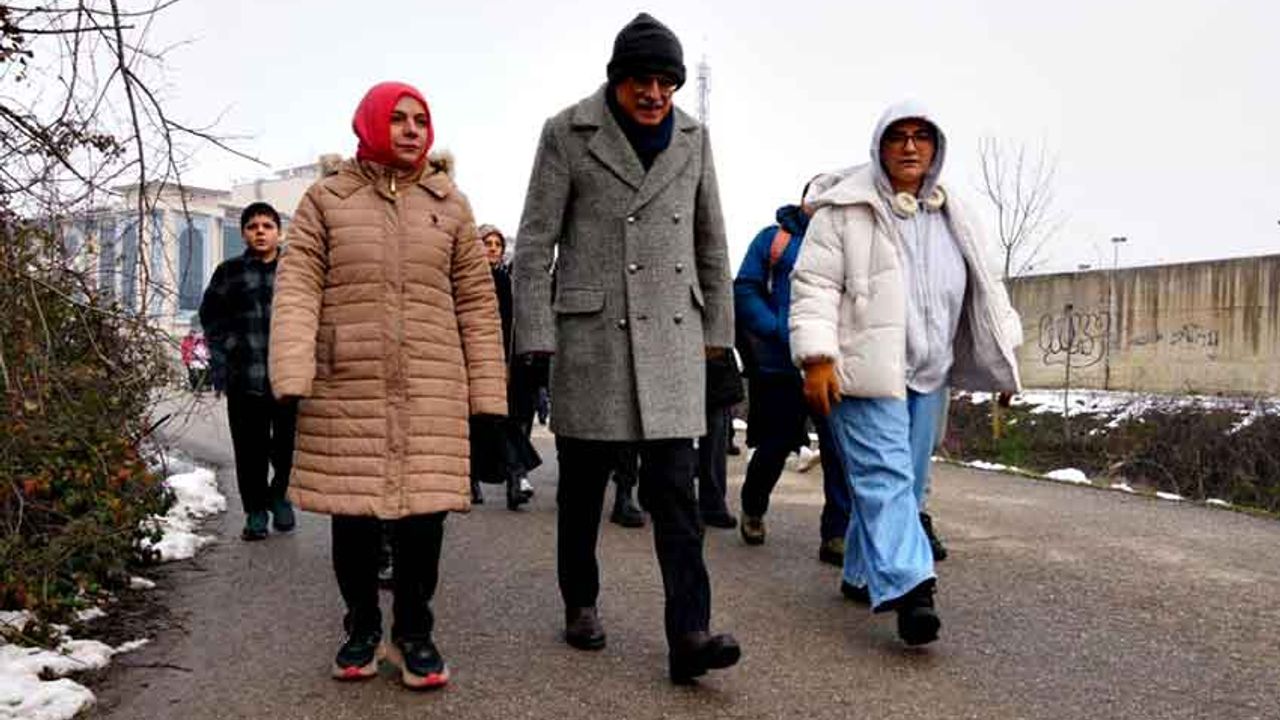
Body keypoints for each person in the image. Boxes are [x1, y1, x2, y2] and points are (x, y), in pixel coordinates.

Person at [511, 13, 740, 684]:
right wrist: (536, 337)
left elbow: (712, 243)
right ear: (617, 79)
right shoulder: (567, 131)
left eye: (667, 82)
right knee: (582, 492)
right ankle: (580, 601)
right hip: (592, 338)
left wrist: (718, 340)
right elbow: (535, 243)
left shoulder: (695, 138)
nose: (655, 94)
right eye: (642, 80)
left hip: (671, 337)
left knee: (676, 495)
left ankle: (690, 634)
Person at [268, 81, 506, 689]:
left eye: (420, 120)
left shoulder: (450, 204)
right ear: (371, 123)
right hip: (347, 383)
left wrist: (488, 396)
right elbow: (298, 287)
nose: (410, 129)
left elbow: (477, 304)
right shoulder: (327, 199)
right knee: (353, 516)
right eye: (398, 118)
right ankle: (361, 625)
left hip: (432, 384)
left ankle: (414, 631)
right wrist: (292, 371)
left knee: (425, 519)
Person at [789, 100, 1023, 646]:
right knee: (885, 479)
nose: (911, 146)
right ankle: (914, 589)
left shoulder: (954, 213)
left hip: (930, 370)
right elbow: (814, 287)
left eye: (922, 136)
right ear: (880, 147)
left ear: (936, 149)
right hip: (865, 369)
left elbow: (989, 289)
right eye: (899, 136)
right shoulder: (844, 212)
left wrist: (1005, 362)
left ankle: (859, 573)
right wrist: (817, 357)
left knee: (907, 484)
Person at [733, 179, 853, 565]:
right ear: (804, 200)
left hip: (832, 364)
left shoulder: (848, 242)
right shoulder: (774, 240)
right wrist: (777, 328)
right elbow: (745, 288)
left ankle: (835, 534)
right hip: (780, 364)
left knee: (837, 449)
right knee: (777, 443)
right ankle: (753, 506)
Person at [199, 202, 298, 541]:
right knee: (250, 451)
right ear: (243, 233)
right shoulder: (229, 272)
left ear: (279, 232)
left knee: (288, 448)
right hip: (244, 376)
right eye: (253, 226)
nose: (260, 232)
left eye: (267, 226)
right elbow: (210, 316)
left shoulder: (295, 271)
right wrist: (225, 353)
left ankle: (280, 495)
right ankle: (255, 511)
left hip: (288, 377)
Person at [472, 223, 538, 511]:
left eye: (497, 245)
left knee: (503, 422)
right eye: (488, 244)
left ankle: (515, 478)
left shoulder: (508, 282)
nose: (493, 249)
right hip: (474, 362)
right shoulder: (469, 280)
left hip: (504, 364)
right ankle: (507, 477)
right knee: (481, 425)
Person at [179, 328, 210, 392]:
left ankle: (197, 388)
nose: (201, 341)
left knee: (201, 375)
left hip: (202, 363)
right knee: (194, 375)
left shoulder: (205, 346)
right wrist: (189, 357)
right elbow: (186, 352)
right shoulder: (192, 344)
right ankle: (195, 387)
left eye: (202, 340)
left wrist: (205, 357)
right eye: (200, 340)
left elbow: (208, 354)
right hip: (193, 362)